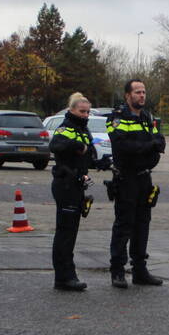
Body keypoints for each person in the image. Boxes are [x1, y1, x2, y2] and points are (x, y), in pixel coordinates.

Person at [107, 79, 166, 288]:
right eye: (137, 92)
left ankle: (140, 270)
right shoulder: (116, 118)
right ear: (127, 95)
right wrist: (149, 145)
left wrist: (149, 145)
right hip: (126, 178)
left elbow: (160, 141)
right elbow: (123, 146)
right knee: (124, 225)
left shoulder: (147, 117)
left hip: (144, 177)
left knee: (143, 224)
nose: (142, 95)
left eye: (144, 92)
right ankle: (117, 271)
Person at [49, 93, 96, 291]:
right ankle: (64, 277)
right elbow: (56, 145)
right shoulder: (66, 128)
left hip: (77, 185)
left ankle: (68, 274)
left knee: (71, 232)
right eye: (81, 111)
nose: (85, 115)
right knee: (65, 234)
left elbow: (90, 155)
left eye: (87, 112)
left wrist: (100, 162)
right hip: (65, 184)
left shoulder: (84, 130)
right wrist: (79, 147)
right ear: (72, 110)